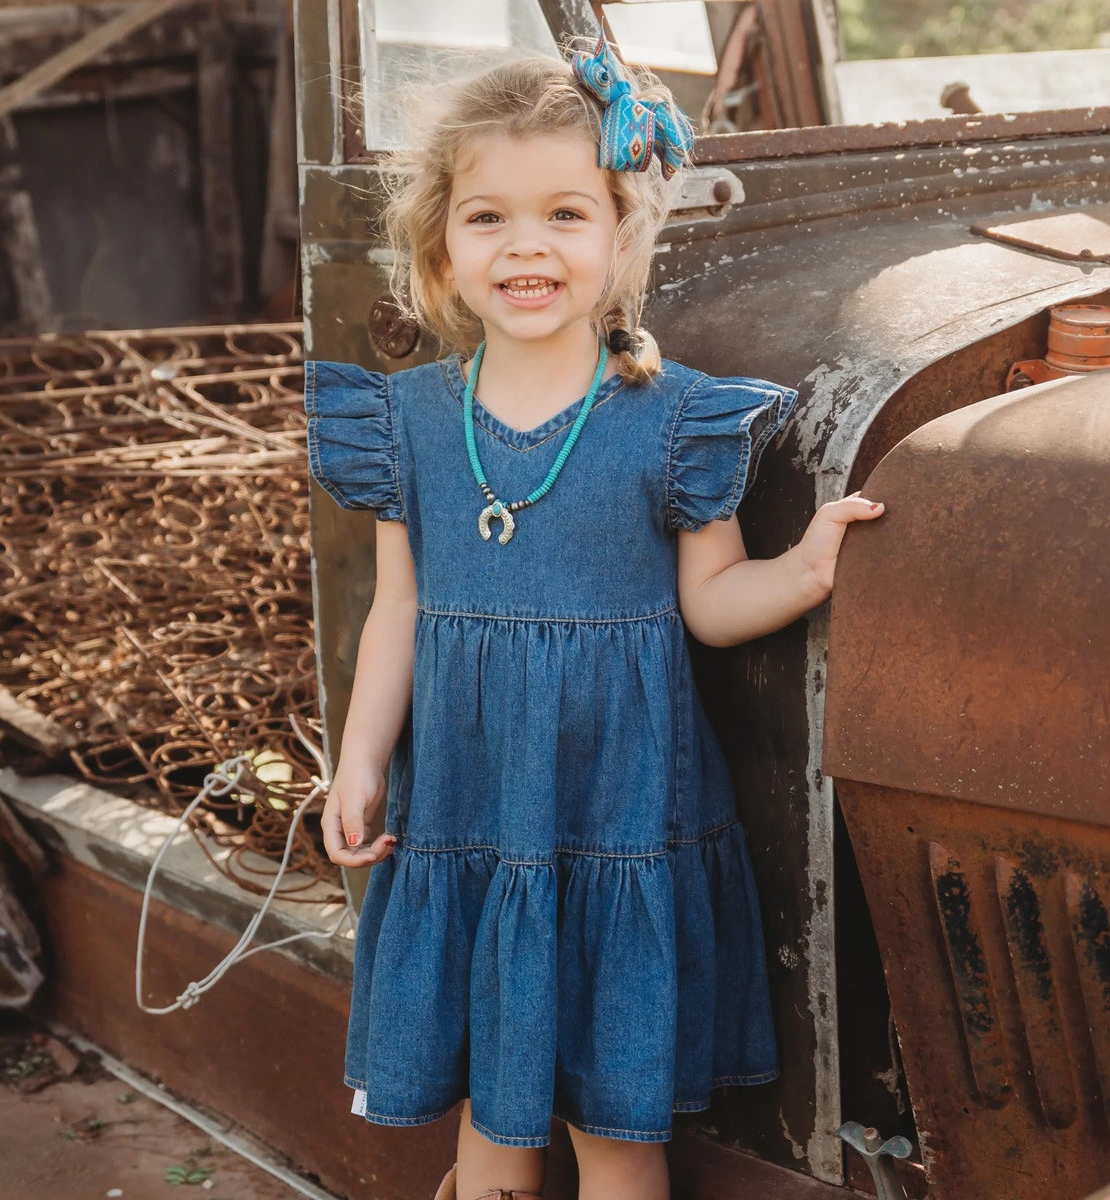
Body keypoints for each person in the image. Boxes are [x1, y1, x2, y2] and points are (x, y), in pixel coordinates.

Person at [307, 39, 883, 1200]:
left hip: (618, 811)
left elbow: (712, 607)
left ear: (622, 237)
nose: (527, 246)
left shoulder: (670, 422)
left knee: (619, 1131)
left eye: (567, 213)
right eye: (488, 219)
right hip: (471, 807)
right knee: (491, 1121)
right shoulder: (409, 423)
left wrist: (809, 570)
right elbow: (397, 612)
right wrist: (358, 762)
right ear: (441, 248)